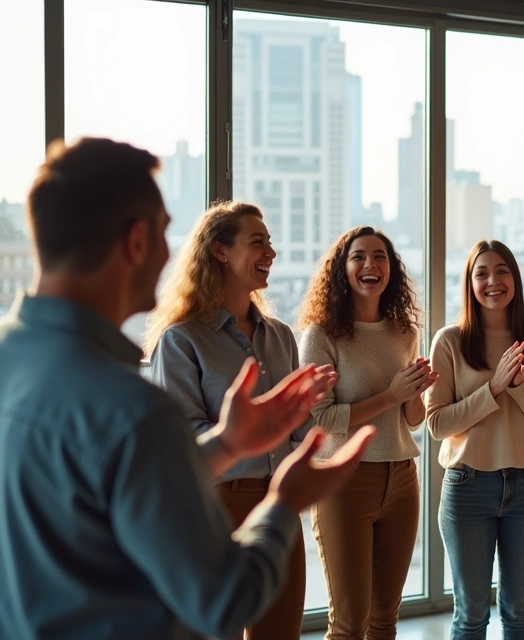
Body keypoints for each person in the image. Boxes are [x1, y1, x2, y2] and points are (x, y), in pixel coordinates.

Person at [0, 137, 373, 640]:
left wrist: (225, 444)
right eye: (164, 233)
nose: (170, 252)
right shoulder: (133, 409)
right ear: (136, 242)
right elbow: (224, 601)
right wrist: (284, 502)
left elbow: (90, 491)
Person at [145, 200, 312, 639]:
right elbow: (183, 439)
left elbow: (298, 428)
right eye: (258, 242)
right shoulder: (180, 340)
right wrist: (244, 434)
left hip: (280, 504)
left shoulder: (279, 336)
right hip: (216, 505)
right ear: (220, 251)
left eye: (271, 243)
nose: (271, 253)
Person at [296, 226, 436, 639]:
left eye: (380, 257)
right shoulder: (320, 335)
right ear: (342, 269)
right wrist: (392, 395)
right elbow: (319, 419)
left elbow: (411, 420)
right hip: (343, 480)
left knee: (384, 620)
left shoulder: (405, 333)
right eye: (358, 256)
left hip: (402, 478)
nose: (370, 265)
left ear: (391, 269)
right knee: (348, 622)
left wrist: (416, 392)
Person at [426, 240, 524, 640]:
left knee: (521, 610)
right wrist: (495, 387)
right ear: (469, 284)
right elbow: (436, 424)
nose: (492, 281)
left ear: (515, 279)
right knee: (470, 614)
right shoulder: (449, 342)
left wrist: (519, 387)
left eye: (501, 270)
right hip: (468, 488)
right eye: (481, 273)